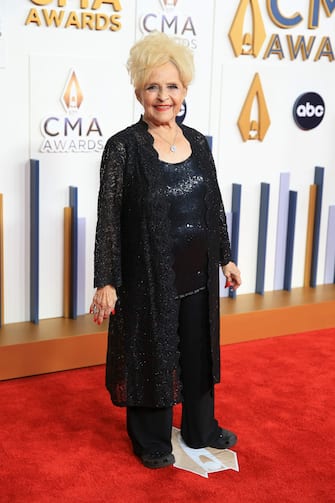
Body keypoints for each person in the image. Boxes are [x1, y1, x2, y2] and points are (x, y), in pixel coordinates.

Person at [90, 31, 241, 469]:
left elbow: (213, 205)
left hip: (197, 275)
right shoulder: (123, 148)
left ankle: (201, 428)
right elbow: (109, 219)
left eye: (171, 86)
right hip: (148, 278)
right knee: (151, 355)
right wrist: (107, 280)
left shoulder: (198, 142)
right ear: (139, 91)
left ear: (185, 91)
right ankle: (151, 440)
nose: (163, 96)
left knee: (197, 353)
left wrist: (225, 257)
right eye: (153, 86)